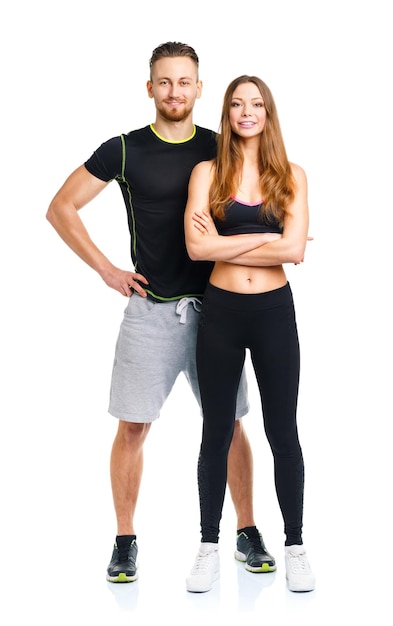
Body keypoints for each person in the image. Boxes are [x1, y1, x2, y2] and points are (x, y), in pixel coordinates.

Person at [45, 43, 276, 584]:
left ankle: (246, 529)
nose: (175, 91)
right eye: (165, 82)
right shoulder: (124, 150)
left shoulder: (221, 147)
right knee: (133, 427)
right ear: (150, 88)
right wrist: (106, 269)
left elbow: (266, 197)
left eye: (185, 82)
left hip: (218, 307)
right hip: (150, 312)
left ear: (199, 88)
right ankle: (124, 541)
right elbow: (60, 206)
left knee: (231, 424)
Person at [184, 75, 315, 593]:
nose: (246, 112)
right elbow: (197, 250)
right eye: (237, 104)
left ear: (268, 113)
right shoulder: (208, 172)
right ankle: (208, 548)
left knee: (283, 431)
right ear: (227, 113)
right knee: (217, 430)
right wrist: (269, 234)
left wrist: (230, 241)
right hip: (221, 311)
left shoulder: (293, 175)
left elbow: (295, 251)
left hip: (272, 312)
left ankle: (297, 547)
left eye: (256, 104)